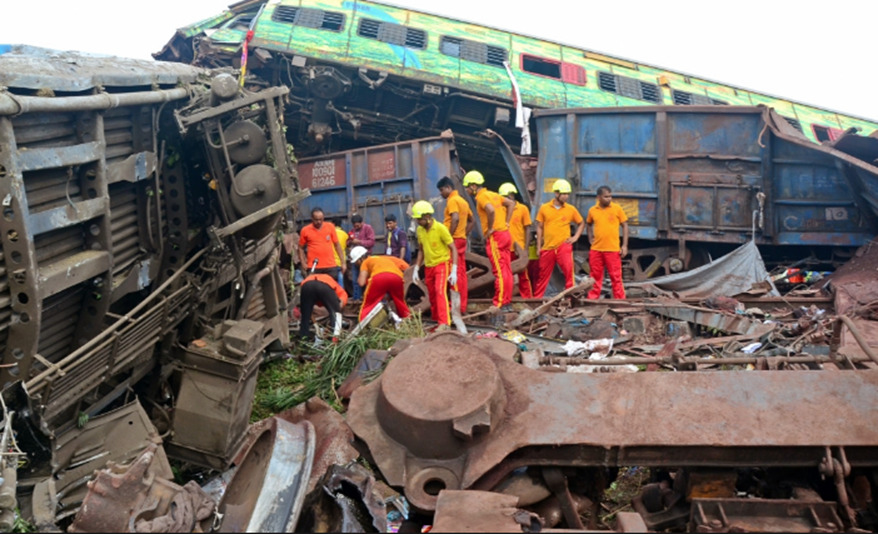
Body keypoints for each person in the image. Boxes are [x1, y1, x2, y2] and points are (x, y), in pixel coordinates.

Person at [462, 170, 514, 309]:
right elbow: (511, 204)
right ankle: (506, 300)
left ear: (473, 186)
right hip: (505, 234)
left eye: (467, 187)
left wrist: (490, 228)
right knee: (506, 269)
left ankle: (500, 302)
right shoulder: (493, 194)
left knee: (499, 271)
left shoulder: (482, 197)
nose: (466, 190)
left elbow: (490, 210)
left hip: (496, 237)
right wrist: (506, 222)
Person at [534, 179, 585, 297]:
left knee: (568, 272)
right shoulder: (544, 208)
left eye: (568, 194)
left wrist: (575, 237)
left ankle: (570, 298)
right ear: (556, 193)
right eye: (564, 194)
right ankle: (537, 300)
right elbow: (539, 227)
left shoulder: (570, 209)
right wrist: (538, 247)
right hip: (548, 247)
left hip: (564, 245)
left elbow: (581, 223)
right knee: (543, 275)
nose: (566, 197)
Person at [411, 200, 458, 328]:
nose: (417, 222)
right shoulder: (420, 230)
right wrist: (416, 267)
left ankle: (444, 323)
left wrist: (454, 269)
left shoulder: (440, 228)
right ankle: (437, 320)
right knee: (432, 294)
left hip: (442, 264)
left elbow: (453, 248)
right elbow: (421, 250)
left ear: (427, 217)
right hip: (429, 266)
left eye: (419, 219)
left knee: (440, 291)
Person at [437, 176, 473, 315]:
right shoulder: (463, 201)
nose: (441, 193)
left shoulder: (452, 200)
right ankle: (462, 306)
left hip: (454, 241)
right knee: (461, 274)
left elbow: (455, 218)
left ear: (448, 187)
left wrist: (449, 237)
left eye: (441, 190)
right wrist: (464, 233)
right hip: (461, 239)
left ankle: (455, 307)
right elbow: (472, 221)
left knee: (453, 273)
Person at [586, 185, 628, 300]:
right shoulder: (592, 210)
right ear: (598, 197)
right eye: (606, 197)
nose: (609, 199)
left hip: (613, 249)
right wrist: (590, 238)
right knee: (594, 277)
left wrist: (624, 245)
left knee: (616, 277)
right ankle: (592, 300)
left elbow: (624, 225)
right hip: (596, 249)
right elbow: (588, 224)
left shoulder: (617, 209)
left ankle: (620, 301)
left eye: (610, 196)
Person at [350, 245, 411, 321]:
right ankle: (408, 321)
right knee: (400, 302)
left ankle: (362, 323)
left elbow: (361, 283)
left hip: (379, 277)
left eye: (356, 262)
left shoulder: (365, 262)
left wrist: (361, 277)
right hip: (397, 277)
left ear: (360, 259)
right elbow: (405, 266)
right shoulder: (381, 258)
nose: (357, 264)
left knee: (368, 305)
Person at [498, 182, 533, 298]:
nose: (506, 199)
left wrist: (525, 249)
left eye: (508, 196)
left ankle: (527, 298)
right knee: (505, 275)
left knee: (523, 276)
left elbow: (528, 229)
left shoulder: (522, 209)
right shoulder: (500, 210)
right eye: (504, 197)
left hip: (519, 249)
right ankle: (506, 298)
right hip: (505, 248)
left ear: (513, 195)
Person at [298, 207, 346, 280]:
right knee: (315, 289)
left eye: (321, 219)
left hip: (330, 266)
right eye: (316, 220)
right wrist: (303, 262)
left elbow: (337, 245)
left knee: (331, 288)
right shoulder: (305, 230)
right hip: (314, 267)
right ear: (312, 218)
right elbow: (300, 248)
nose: (319, 222)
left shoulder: (330, 227)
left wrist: (343, 262)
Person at [298, 272, 347, 340]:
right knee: (335, 315)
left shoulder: (320, 278)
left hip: (306, 285)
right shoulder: (340, 291)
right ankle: (335, 340)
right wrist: (336, 309)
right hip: (324, 286)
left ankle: (303, 340)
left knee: (305, 316)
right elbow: (340, 304)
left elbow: (307, 310)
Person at [348, 214, 375, 301]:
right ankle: (357, 298)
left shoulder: (368, 228)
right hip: (355, 259)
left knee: (368, 280)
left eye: (358, 225)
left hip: (364, 258)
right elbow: (347, 242)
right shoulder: (352, 231)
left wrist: (359, 242)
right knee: (355, 280)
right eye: (354, 226)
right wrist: (350, 242)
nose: (356, 227)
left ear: (362, 222)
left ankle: (370, 297)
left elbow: (371, 242)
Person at [331, 218, 349, 288]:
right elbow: (347, 245)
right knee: (340, 279)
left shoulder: (331, 233)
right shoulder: (345, 234)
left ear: (333, 224)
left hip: (332, 261)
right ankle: (341, 295)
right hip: (341, 261)